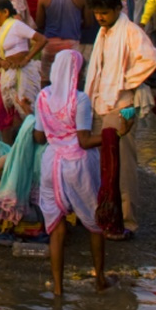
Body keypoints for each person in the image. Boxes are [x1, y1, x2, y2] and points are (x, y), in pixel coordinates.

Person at [33, 49, 113, 295]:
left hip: (51, 163)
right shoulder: (80, 100)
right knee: (94, 223)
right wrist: (114, 135)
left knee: (56, 227)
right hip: (78, 165)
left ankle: (58, 288)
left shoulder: (43, 96)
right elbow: (85, 140)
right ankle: (99, 278)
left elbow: (38, 137)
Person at [84, 0, 156, 234]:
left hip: (123, 106)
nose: (100, 17)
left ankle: (127, 221)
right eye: (97, 13)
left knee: (123, 166)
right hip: (99, 103)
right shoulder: (104, 31)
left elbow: (151, 59)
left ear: (118, 9)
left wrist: (123, 80)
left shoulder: (130, 31)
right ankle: (104, 213)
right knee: (99, 163)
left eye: (104, 13)